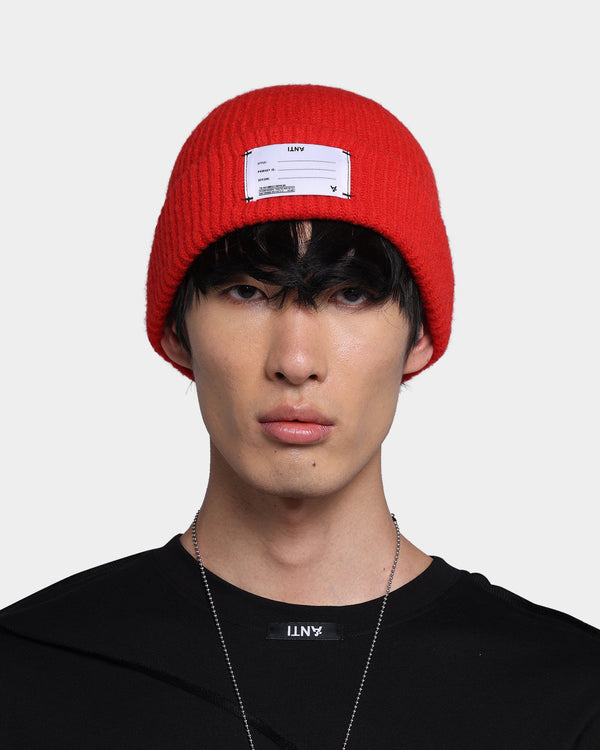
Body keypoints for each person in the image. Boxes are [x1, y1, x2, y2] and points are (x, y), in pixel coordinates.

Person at [1, 84, 599, 749]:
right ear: (175, 332)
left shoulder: (571, 690)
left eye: (352, 294)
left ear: (421, 338)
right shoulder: (28, 667)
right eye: (246, 291)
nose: (295, 361)